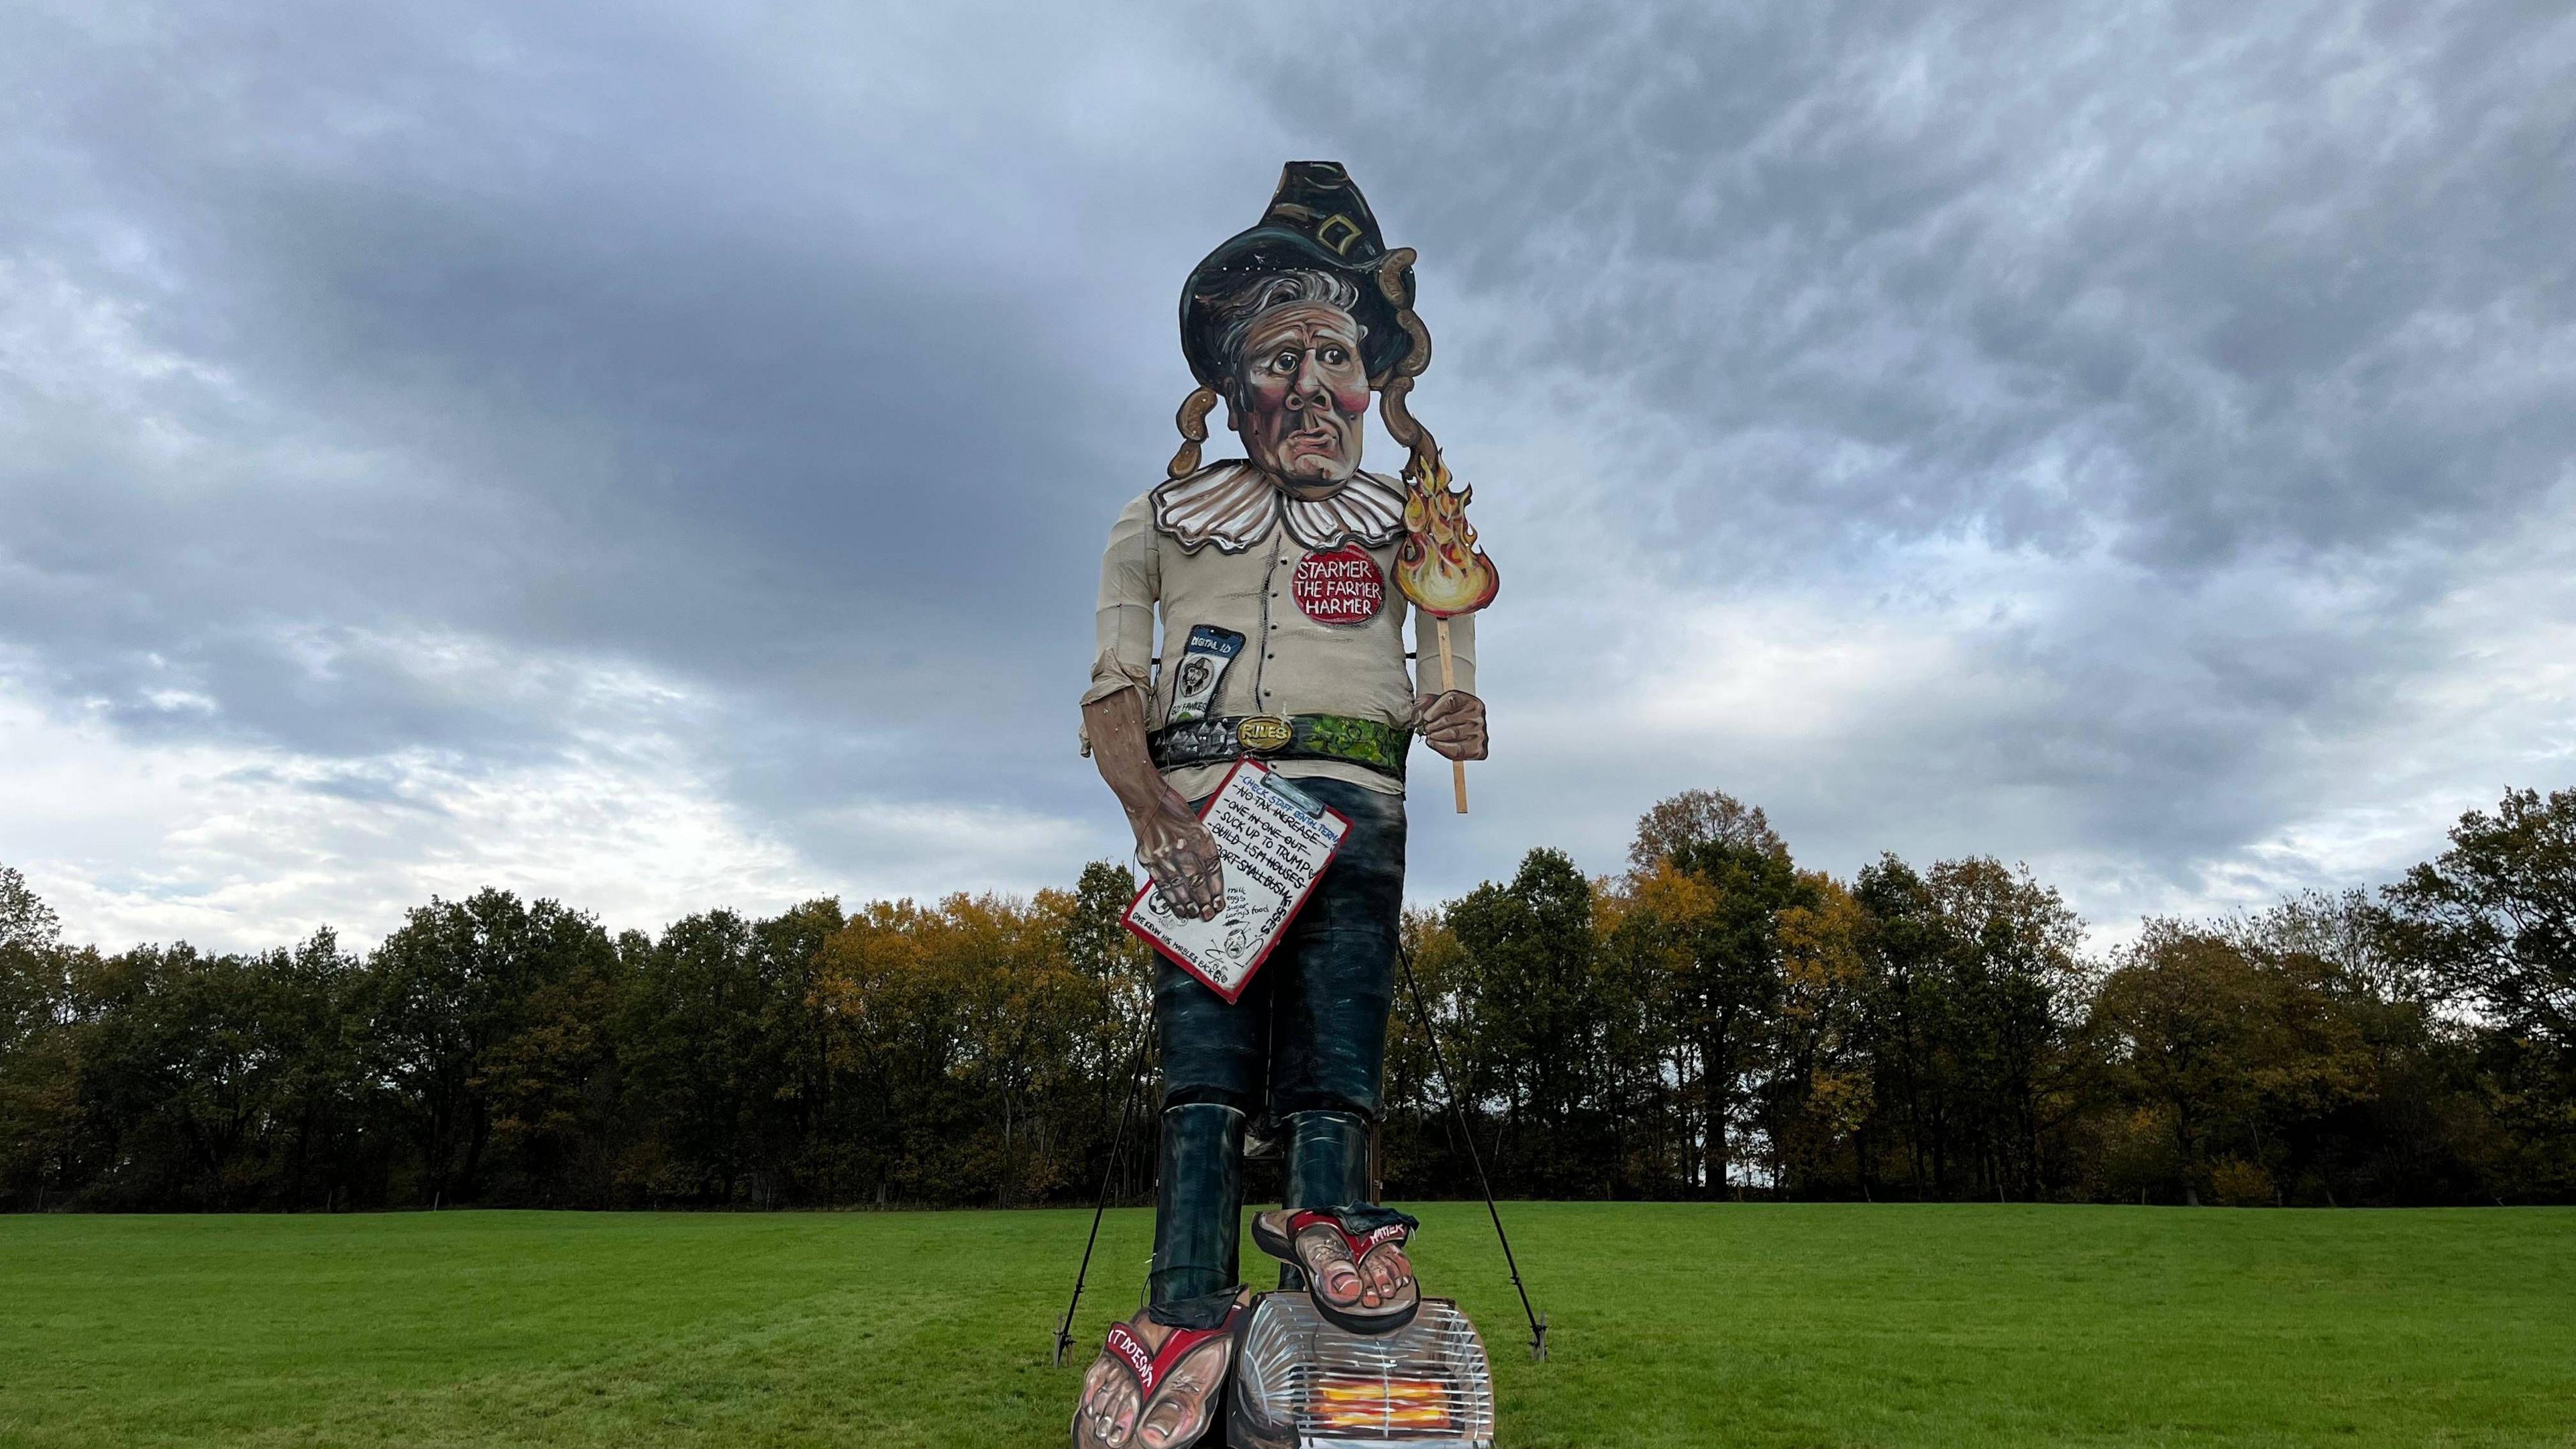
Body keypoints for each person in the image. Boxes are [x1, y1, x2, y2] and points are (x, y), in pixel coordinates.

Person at [1071, 162, 1488, 1449]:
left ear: (1373, 382)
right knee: (1203, 1081)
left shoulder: (1407, 519)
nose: (1313, 388)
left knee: (1338, 1075)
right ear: (1230, 384)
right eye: (1281, 358)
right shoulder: (1160, 519)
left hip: (1357, 804)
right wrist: (1160, 821)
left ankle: (1336, 1318)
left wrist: (1451, 702)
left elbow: (1447, 643)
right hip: (1214, 816)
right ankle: (1183, 1314)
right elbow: (1109, 698)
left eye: (1338, 358)